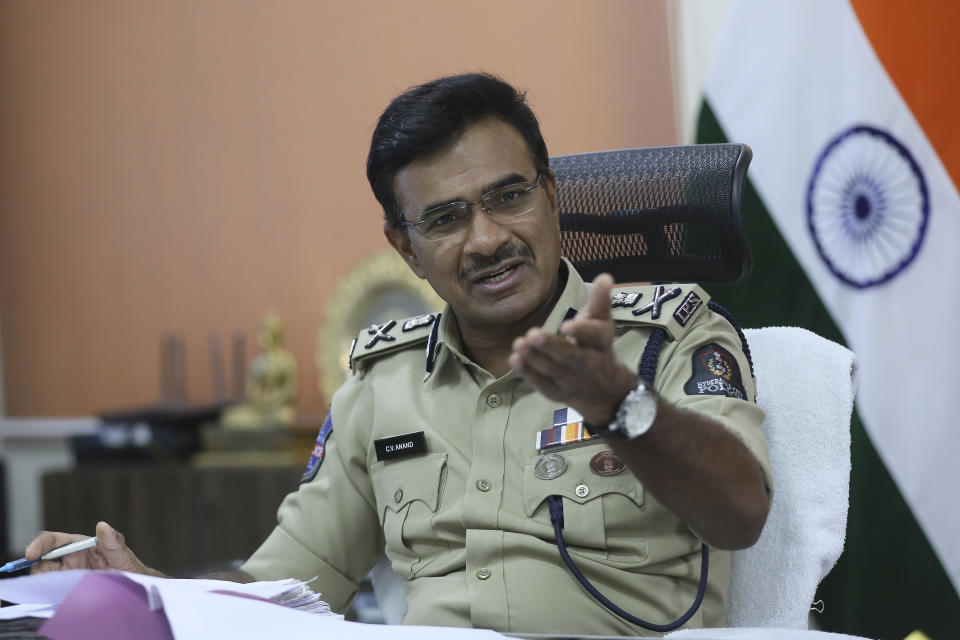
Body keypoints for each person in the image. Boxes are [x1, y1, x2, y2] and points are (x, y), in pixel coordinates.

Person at [25, 73, 771, 636]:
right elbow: (286, 586)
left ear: (551, 195)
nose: (486, 240)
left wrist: (619, 406)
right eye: (445, 219)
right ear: (404, 248)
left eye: (508, 196)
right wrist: (153, 588)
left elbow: (740, 514)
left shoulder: (669, 338)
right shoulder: (381, 385)